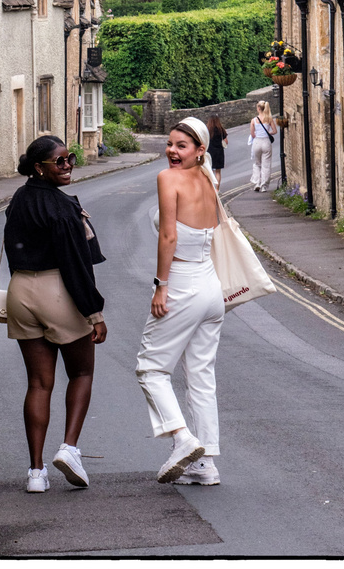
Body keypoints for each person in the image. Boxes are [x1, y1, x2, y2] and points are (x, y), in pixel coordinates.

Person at [4, 136, 107, 493]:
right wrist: (95, 313)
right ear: (38, 168)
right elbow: (76, 266)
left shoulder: (18, 199)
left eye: (70, 159)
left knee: (38, 383)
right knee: (81, 371)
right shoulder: (62, 208)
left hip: (20, 292)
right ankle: (69, 449)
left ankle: (36, 473)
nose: (67, 166)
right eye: (58, 162)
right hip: (56, 291)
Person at [136, 117, 225, 486]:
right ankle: (205, 465)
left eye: (182, 146)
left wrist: (161, 286)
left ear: (200, 150)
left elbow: (169, 238)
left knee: (151, 369)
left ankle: (183, 439)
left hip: (184, 282)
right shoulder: (210, 179)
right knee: (201, 376)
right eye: (170, 144)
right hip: (211, 288)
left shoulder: (168, 179)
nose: (172, 151)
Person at [250, 100, 277, 192]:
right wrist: (268, 133)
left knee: (257, 164)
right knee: (266, 165)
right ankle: (264, 185)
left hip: (257, 142)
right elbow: (275, 131)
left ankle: (257, 183)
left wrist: (258, 135)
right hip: (266, 142)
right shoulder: (269, 119)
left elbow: (252, 134)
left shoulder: (254, 120)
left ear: (258, 108)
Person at [206, 114, 228, 191]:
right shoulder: (221, 129)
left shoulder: (207, 130)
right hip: (219, 152)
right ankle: (217, 189)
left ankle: (211, 189)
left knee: (210, 171)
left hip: (209, 152)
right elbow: (226, 141)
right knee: (218, 172)